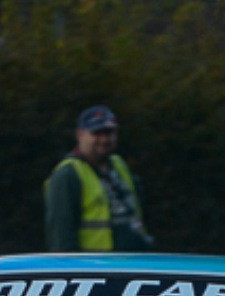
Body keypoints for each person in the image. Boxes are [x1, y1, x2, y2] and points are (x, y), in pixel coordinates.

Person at [44, 106, 153, 252]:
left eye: (109, 133)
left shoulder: (118, 164)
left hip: (133, 261)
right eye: (96, 133)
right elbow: (61, 236)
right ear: (80, 135)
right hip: (97, 266)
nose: (104, 139)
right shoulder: (68, 175)